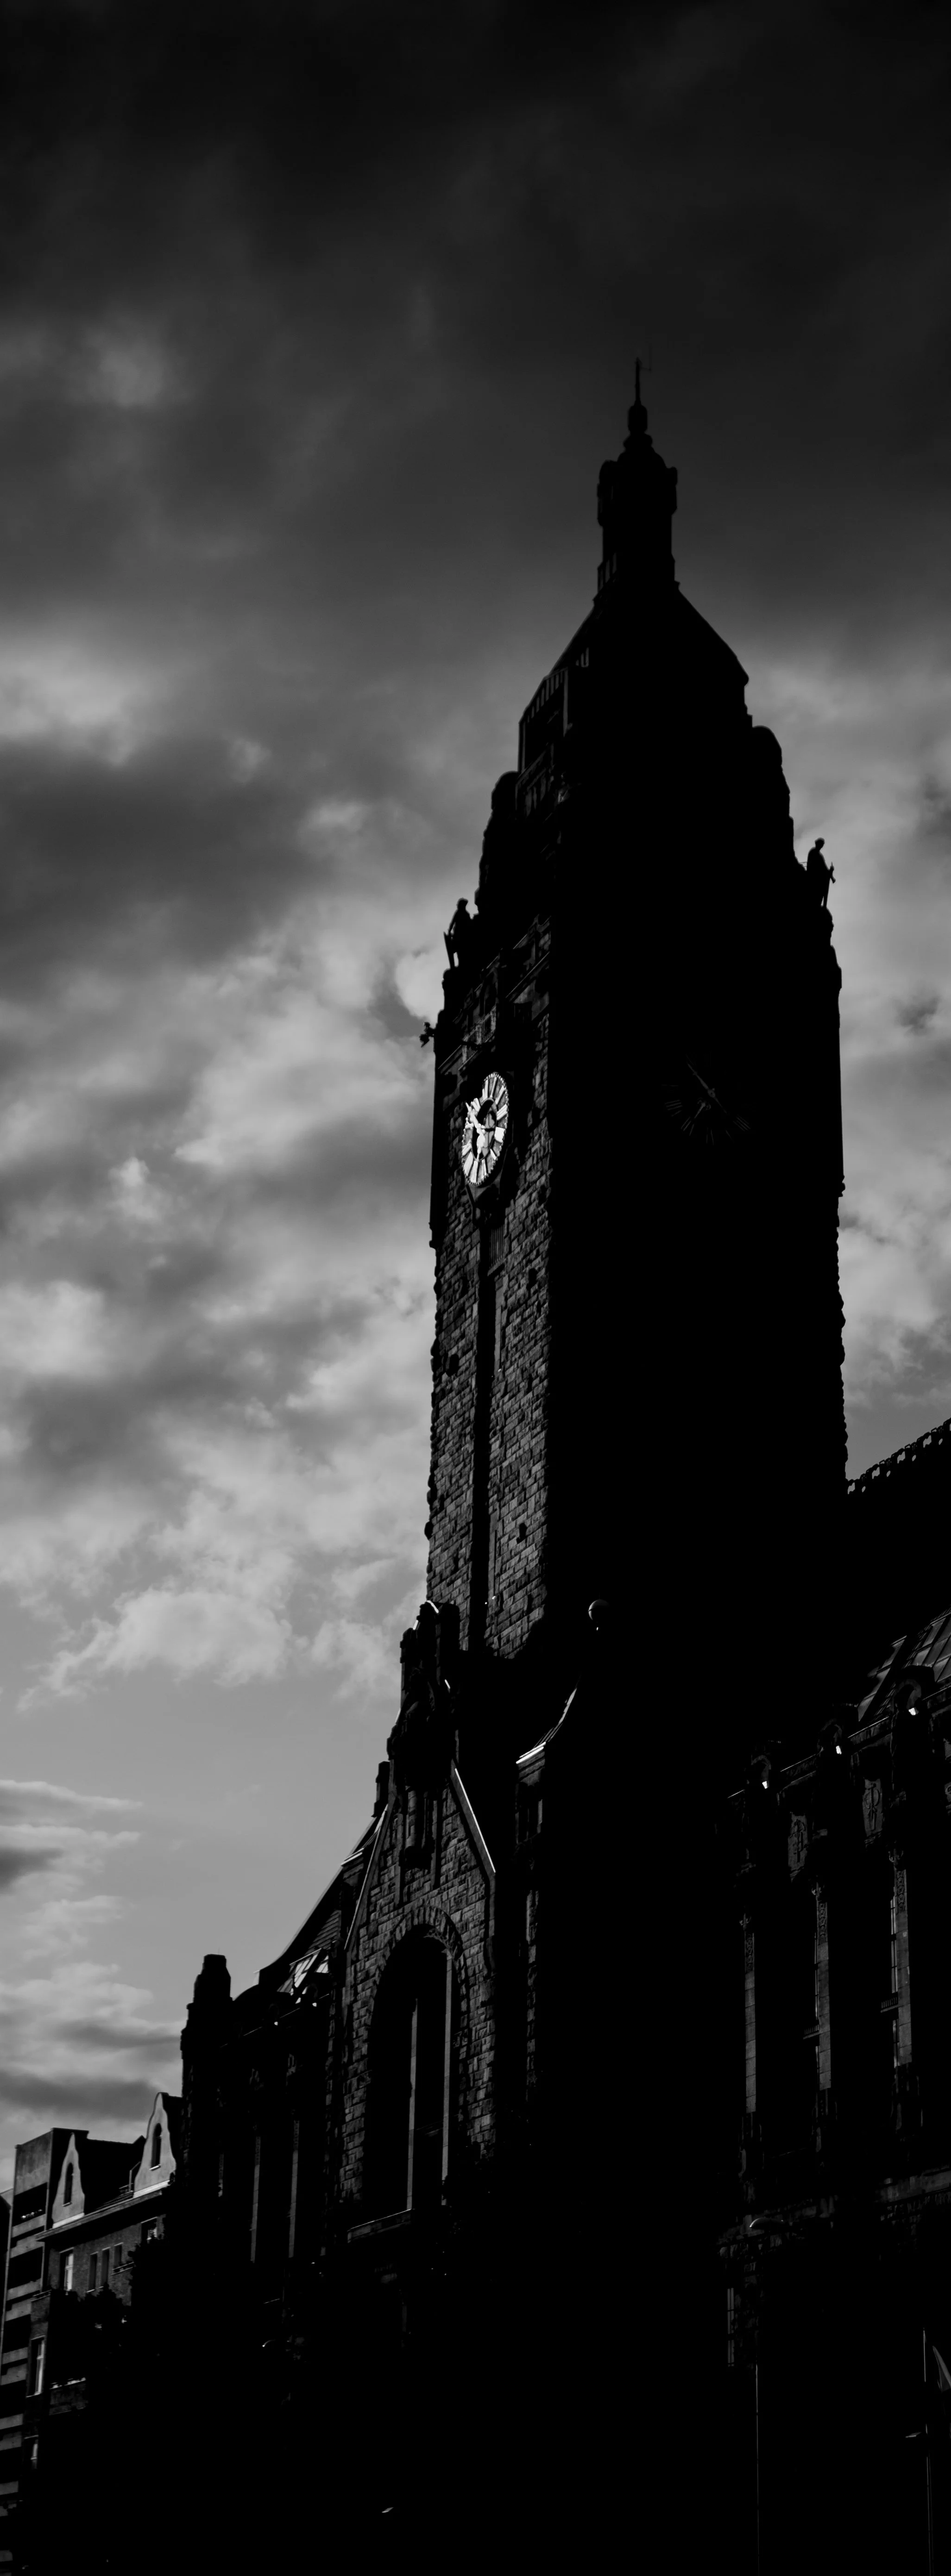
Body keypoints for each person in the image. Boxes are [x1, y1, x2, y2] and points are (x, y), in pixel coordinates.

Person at [444, 896, 473, 970]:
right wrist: (450, 931)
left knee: (461, 952)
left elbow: (469, 927)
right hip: (457, 935)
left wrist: (450, 932)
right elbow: (453, 923)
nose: (458, 906)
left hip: (462, 936)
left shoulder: (466, 915)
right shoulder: (460, 913)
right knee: (459, 951)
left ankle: (461, 965)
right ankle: (461, 964)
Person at [806, 837, 834, 907]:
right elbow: (819, 867)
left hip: (819, 877)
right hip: (814, 877)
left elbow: (824, 867)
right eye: (821, 844)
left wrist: (830, 872)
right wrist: (829, 872)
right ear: (818, 844)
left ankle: (819, 905)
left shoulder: (820, 855)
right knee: (818, 894)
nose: (822, 846)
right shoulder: (814, 852)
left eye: (822, 845)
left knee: (821, 894)